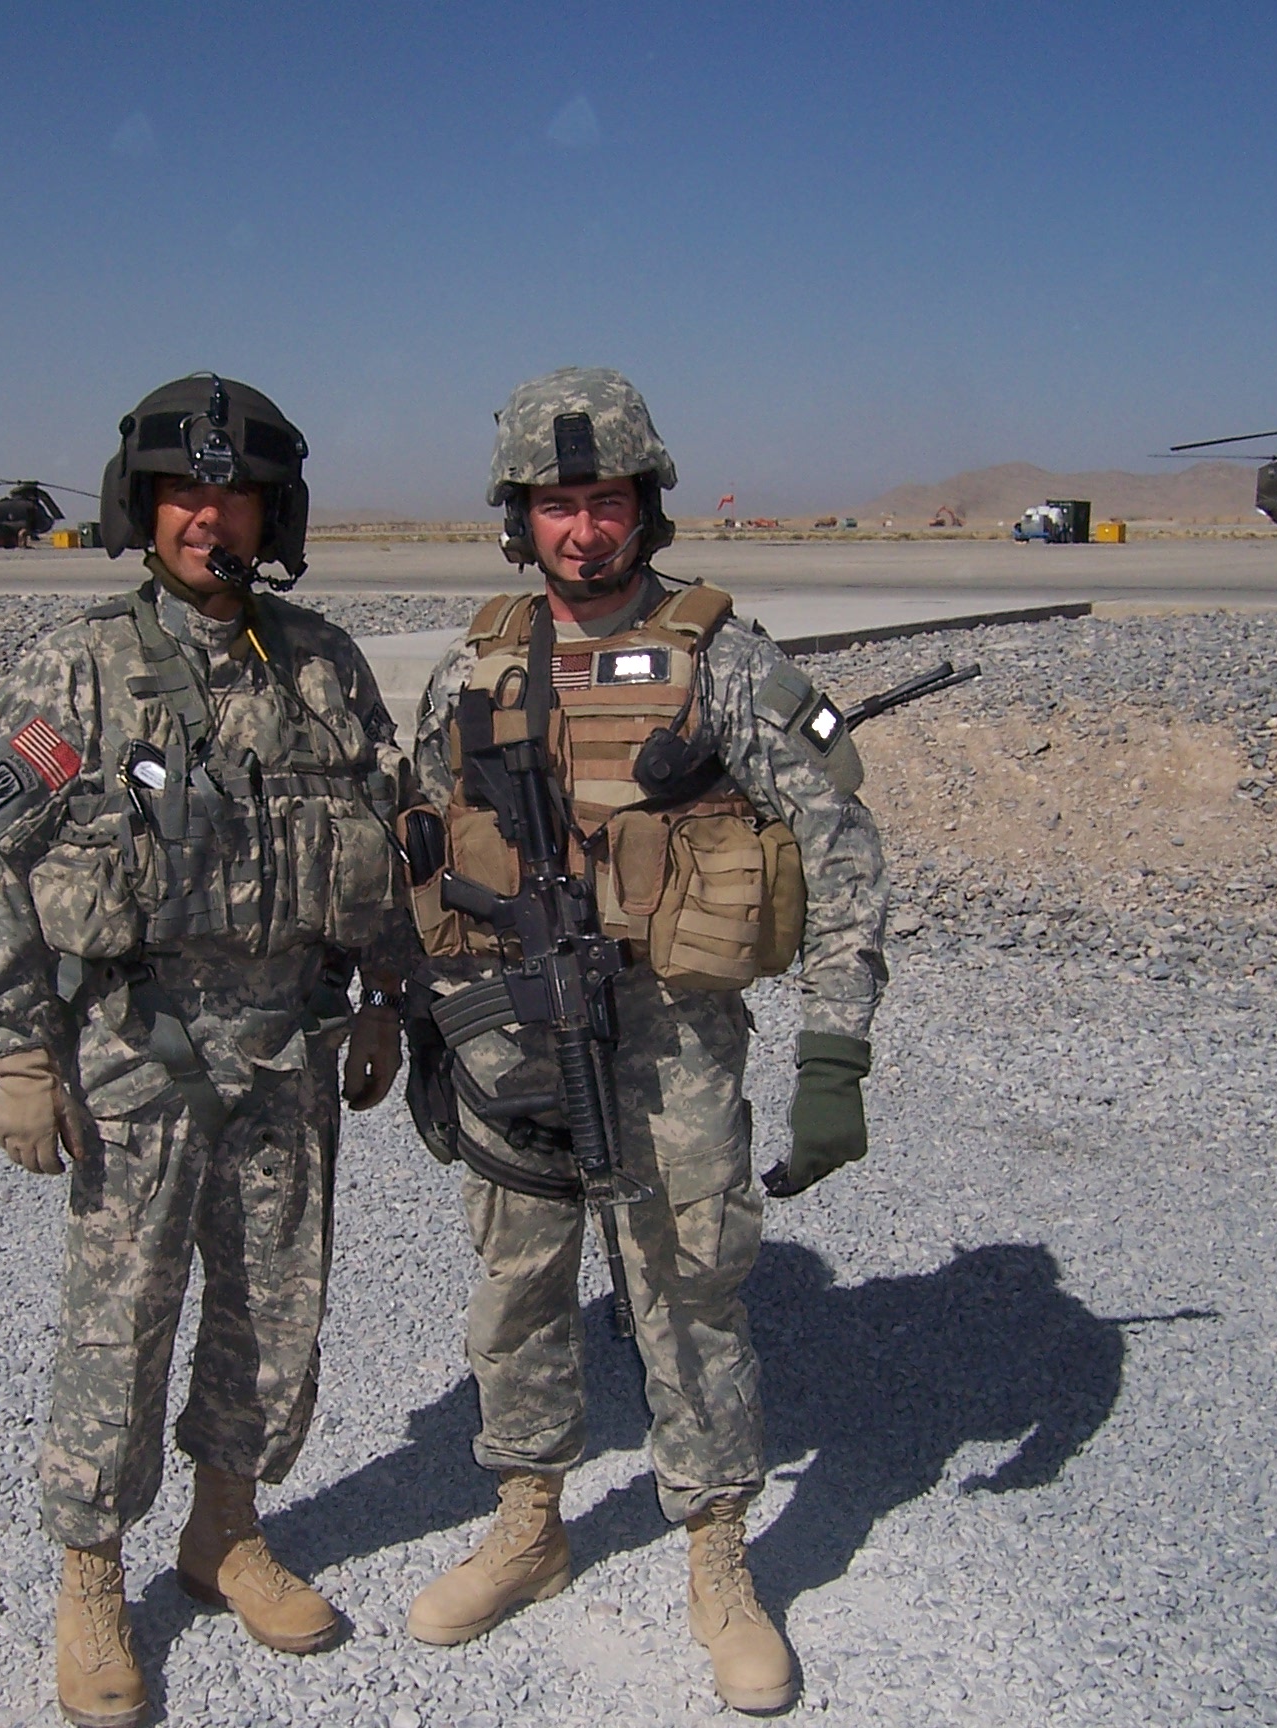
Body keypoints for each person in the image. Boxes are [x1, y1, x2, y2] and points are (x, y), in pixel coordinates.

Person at [400, 368, 888, 1714]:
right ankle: (529, 1520)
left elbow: (844, 855)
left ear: (644, 506)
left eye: (604, 499)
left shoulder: (723, 659)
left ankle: (720, 1552)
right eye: (557, 504)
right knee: (515, 1289)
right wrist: (420, 1018)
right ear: (522, 516)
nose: (582, 528)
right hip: (513, 1040)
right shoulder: (476, 659)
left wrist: (834, 1054)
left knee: (689, 1282)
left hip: (672, 1042)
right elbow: (417, 844)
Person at [0, 373, 415, 1728]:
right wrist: (20, 1051)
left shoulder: (323, 661)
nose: (211, 520)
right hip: (134, 1052)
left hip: (286, 1046)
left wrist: (383, 991)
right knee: (121, 1317)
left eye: (236, 496)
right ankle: (93, 1576)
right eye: (185, 496)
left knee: (278, 1302)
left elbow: (383, 839)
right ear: (142, 509)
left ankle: (226, 1529)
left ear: (276, 513)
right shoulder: (74, 668)